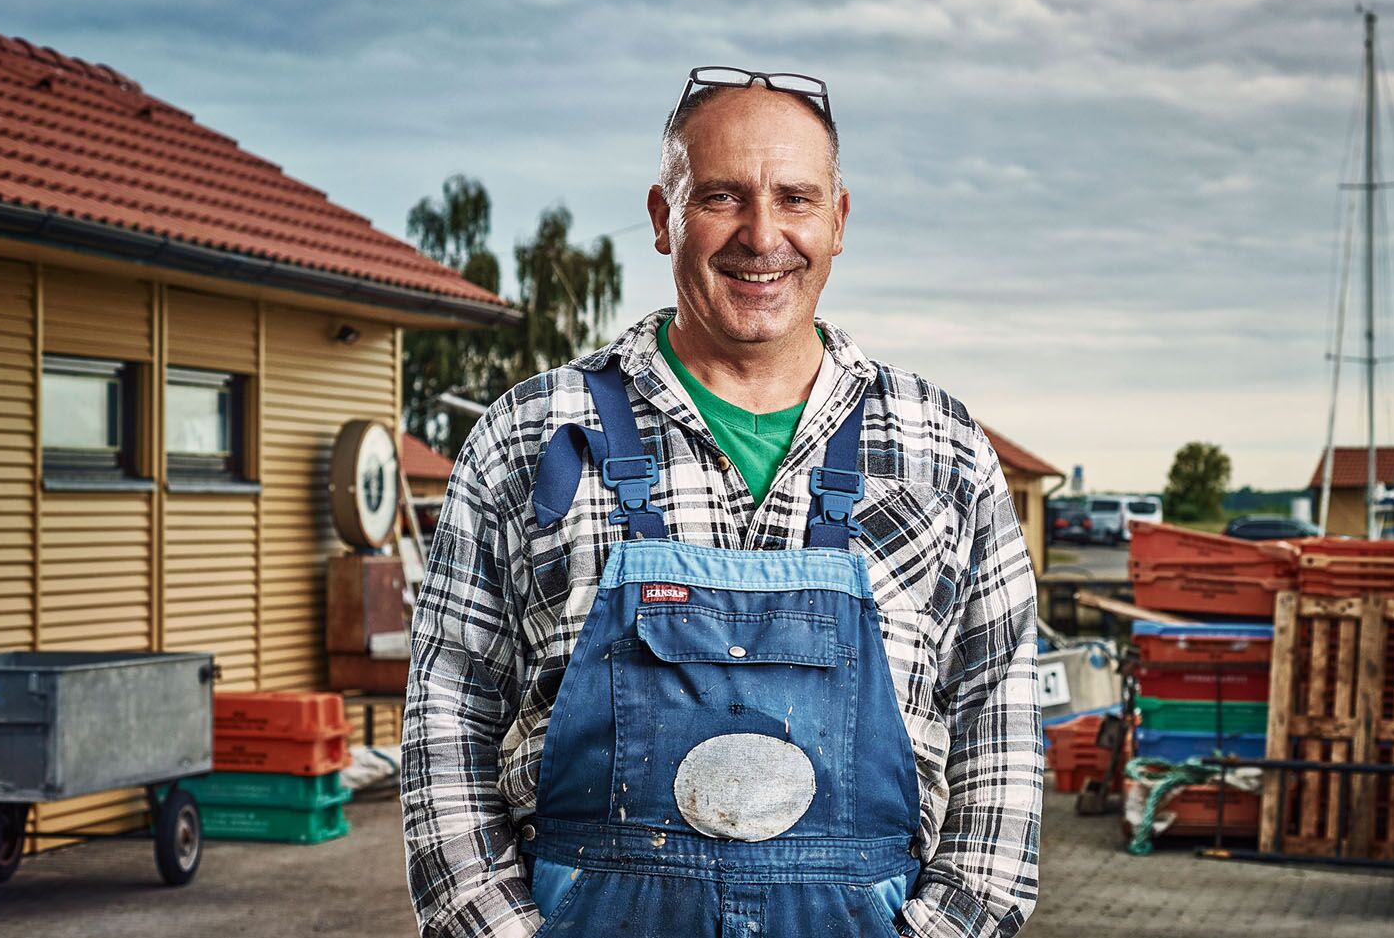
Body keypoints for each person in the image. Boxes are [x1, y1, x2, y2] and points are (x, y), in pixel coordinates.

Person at [402, 67, 1042, 938]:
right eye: (722, 197)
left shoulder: (944, 448)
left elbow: (997, 725)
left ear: (839, 221)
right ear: (665, 217)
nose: (763, 235)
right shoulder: (530, 434)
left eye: (795, 199)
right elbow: (448, 711)